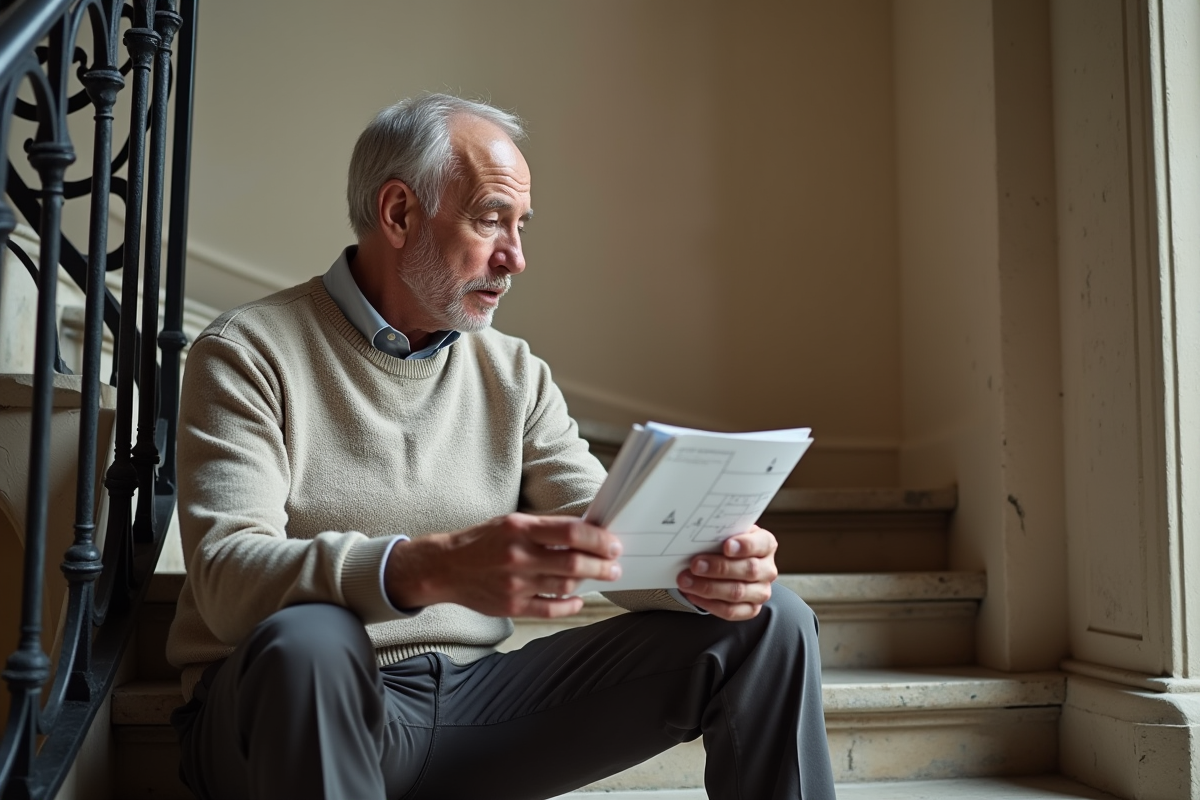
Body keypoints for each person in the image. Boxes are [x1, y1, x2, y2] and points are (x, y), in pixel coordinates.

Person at [166, 93, 835, 800]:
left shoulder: (513, 373)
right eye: (491, 220)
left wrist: (709, 570)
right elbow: (226, 580)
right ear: (398, 214)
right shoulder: (247, 351)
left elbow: (607, 531)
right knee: (309, 642)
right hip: (286, 709)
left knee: (769, 621)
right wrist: (427, 568)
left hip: (469, 707)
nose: (515, 256)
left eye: (520, 226)